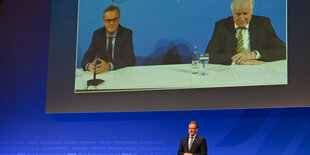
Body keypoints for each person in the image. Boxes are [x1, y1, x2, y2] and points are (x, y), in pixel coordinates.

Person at [205, 0, 286, 65]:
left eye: (245, 13)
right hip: (230, 71)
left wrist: (254, 55)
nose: (242, 17)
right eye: (238, 14)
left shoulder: (263, 24)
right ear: (233, 12)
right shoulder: (221, 26)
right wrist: (239, 60)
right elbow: (208, 55)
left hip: (258, 68)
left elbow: (283, 51)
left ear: (251, 11)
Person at [81, 5, 135, 74]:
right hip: (102, 74)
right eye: (108, 20)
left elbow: (129, 59)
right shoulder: (98, 34)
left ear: (118, 20)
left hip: (120, 72)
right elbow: (88, 56)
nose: (111, 23)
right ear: (104, 21)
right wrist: (89, 66)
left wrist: (109, 66)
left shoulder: (126, 34)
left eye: (114, 19)